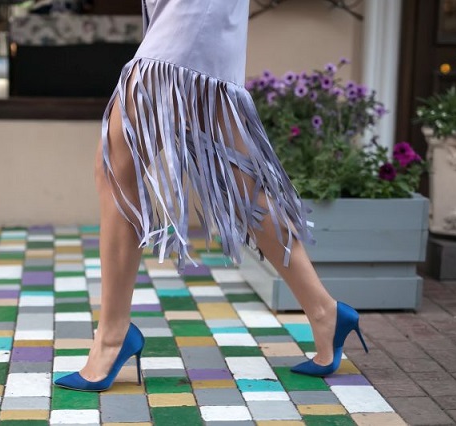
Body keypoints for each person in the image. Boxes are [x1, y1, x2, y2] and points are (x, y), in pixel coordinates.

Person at [53, 0, 368, 392]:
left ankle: (112, 338)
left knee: (116, 167)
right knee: (238, 181)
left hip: (192, 12)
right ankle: (324, 312)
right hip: (187, 12)